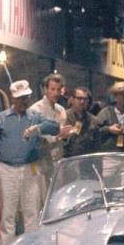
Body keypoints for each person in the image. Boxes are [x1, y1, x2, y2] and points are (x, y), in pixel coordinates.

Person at [0, 80, 61, 245]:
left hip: (29, 167)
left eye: (26, 97)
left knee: (31, 212)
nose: (23, 101)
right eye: (20, 98)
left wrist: (38, 128)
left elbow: (55, 127)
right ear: (13, 98)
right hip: (6, 169)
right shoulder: (1, 119)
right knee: (8, 214)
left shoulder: (35, 116)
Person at [30, 73, 71, 204]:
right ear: (46, 89)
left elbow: (62, 137)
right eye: (52, 89)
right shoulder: (35, 110)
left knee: (56, 201)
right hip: (41, 163)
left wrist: (66, 135)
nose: (56, 93)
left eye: (58, 90)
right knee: (42, 201)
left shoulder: (61, 110)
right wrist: (57, 136)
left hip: (58, 161)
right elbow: (34, 139)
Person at [96, 81, 124, 153]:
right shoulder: (105, 113)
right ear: (115, 96)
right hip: (109, 155)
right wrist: (109, 129)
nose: (123, 96)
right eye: (120, 94)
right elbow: (96, 131)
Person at [63, 87, 99, 157]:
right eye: (79, 98)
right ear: (72, 99)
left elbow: (97, 145)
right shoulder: (63, 116)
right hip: (68, 161)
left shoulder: (94, 120)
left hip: (86, 161)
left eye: (85, 99)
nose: (82, 102)